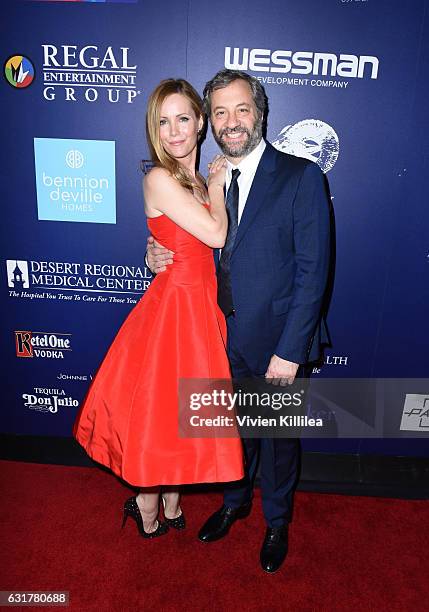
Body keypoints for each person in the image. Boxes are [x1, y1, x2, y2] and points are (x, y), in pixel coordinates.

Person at [146, 69, 331, 570]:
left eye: (241, 109)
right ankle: (234, 503)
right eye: (221, 111)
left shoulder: (300, 176)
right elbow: (186, 239)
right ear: (210, 120)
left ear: (260, 113)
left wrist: (290, 351)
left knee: (274, 440)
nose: (232, 122)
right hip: (214, 335)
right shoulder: (203, 178)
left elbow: (314, 274)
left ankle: (276, 521)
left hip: (276, 341)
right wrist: (155, 253)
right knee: (229, 432)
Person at [73, 78, 244, 539]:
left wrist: (157, 249)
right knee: (161, 414)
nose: (173, 131)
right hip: (174, 314)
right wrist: (216, 183)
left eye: (183, 118)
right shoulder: (160, 178)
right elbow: (215, 236)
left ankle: (171, 498)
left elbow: (187, 239)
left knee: (178, 413)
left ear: (200, 122)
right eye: (162, 122)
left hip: (198, 308)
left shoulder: (189, 178)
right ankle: (146, 503)